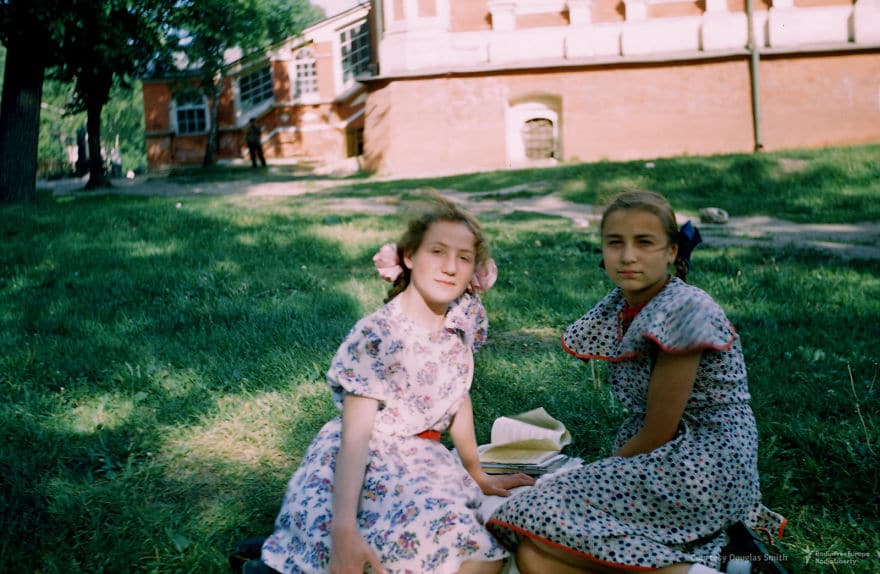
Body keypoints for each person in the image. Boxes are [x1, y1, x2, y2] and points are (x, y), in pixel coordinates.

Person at [486, 190, 787, 574]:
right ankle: (726, 562)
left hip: (704, 464)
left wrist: (596, 476)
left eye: (644, 242)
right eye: (615, 243)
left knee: (529, 510)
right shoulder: (625, 304)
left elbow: (659, 430)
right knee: (534, 555)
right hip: (668, 459)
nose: (628, 256)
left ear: (672, 252)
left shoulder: (684, 309)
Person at [259, 194, 535, 574]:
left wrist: (476, 471)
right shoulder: (378, 334)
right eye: (437, 251)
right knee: (386, 553)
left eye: (464, 257)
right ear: (409, 256)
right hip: (369, 461)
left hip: (426, 460)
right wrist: (343, 530)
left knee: (487, 557)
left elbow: (458, 394)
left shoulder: (462, 318)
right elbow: (355, 440)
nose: (451, 267)